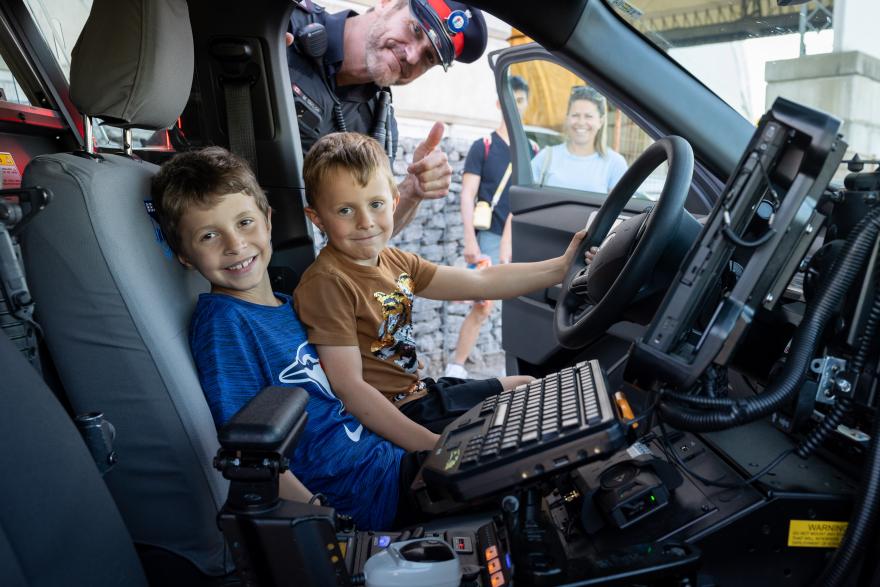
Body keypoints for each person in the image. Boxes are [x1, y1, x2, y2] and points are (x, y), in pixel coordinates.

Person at [151, 146, 429, 530]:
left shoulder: (285, 304)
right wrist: (321, 521)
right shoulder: (225, 326)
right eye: (209, 235)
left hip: (387, 464)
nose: (235, 245)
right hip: (366, 498)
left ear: (268, 221)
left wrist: (408, 194)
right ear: (183, 254)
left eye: (245, 223)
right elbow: (251, 453)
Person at [294, 132, 587, 453]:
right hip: (400, 410)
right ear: (317, 219)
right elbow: (349, 389)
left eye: (375, 204)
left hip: (422, 393)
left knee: (529, 389)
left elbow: (482, 281)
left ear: (393, 201)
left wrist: (561, 267)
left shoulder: (395, 261)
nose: (365, 222)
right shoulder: (328, 282)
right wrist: (434, 446)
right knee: (513, 433)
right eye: (345, 211)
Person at [287, 0, 489, 232]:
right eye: (415, 29)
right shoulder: (285, 23)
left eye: (429, 58)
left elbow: (368, 230)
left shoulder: (380, 126)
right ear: (387, 3)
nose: (412, 57)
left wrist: (413, 189)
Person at [445, 75, 534, 379]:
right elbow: (467, 195)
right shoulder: (482, 146)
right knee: (483, 305)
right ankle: (455, 367)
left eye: (520, 100)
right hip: (491, 238)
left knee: (524, 306)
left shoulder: (532, 150)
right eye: (510, 99)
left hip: (522, 239)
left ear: (527, 104)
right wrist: (470, 240)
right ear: (500, 103)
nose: (515, 106)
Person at [531, 85, 628, 193]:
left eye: (588, 116)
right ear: (567, 118)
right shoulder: (546, 157)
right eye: (575, 115)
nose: (581, 122)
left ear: (601, 121)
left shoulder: (615, 163)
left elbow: (620, 207)